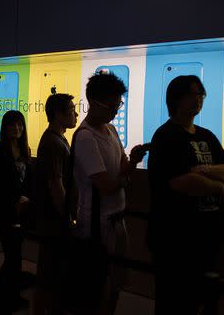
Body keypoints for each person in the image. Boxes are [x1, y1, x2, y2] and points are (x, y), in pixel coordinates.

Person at [147, 75, 224, 315]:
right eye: (191, 94)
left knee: (203, 300)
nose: (198, 99)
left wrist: (204, 170)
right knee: (175, 302)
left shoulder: (207, 135)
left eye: (200, 94)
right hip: (175, 237)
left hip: (207, 235)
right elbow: (181, 182)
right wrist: (217, 187)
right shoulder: (166, 136)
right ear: (176, 99)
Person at [73, 71, 148, 315]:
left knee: (115, 282)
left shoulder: (111, 131)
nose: (116, 111)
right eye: (112, 105)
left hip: (116, 218)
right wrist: (125, 177)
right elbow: (105, 185)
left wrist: (133, 161)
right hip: (97, 223)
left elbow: (121, 168)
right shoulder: (85, 137)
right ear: (93, 103)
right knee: (99, 286)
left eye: (119, 105)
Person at [32, 93, 78, 315]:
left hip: (53, 217)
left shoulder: (57, 139)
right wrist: (67, 217)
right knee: (49, 271)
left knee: (52, 269)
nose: (76, 114)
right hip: (53, 219)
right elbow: (55, 184)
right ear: (58, 115)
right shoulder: (53, 142)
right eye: (71, 109)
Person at [0, 110, 32, 313]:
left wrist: (27, 198)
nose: (17, 128)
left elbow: (27, 181)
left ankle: (13, 296)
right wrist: (13, 201)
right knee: (11, 257)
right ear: (5, 127)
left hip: (23, 210)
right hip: (6, 211)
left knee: (17, 256)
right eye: (12, 125)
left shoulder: (25, 149)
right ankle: (1, 301)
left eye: (20, 125)